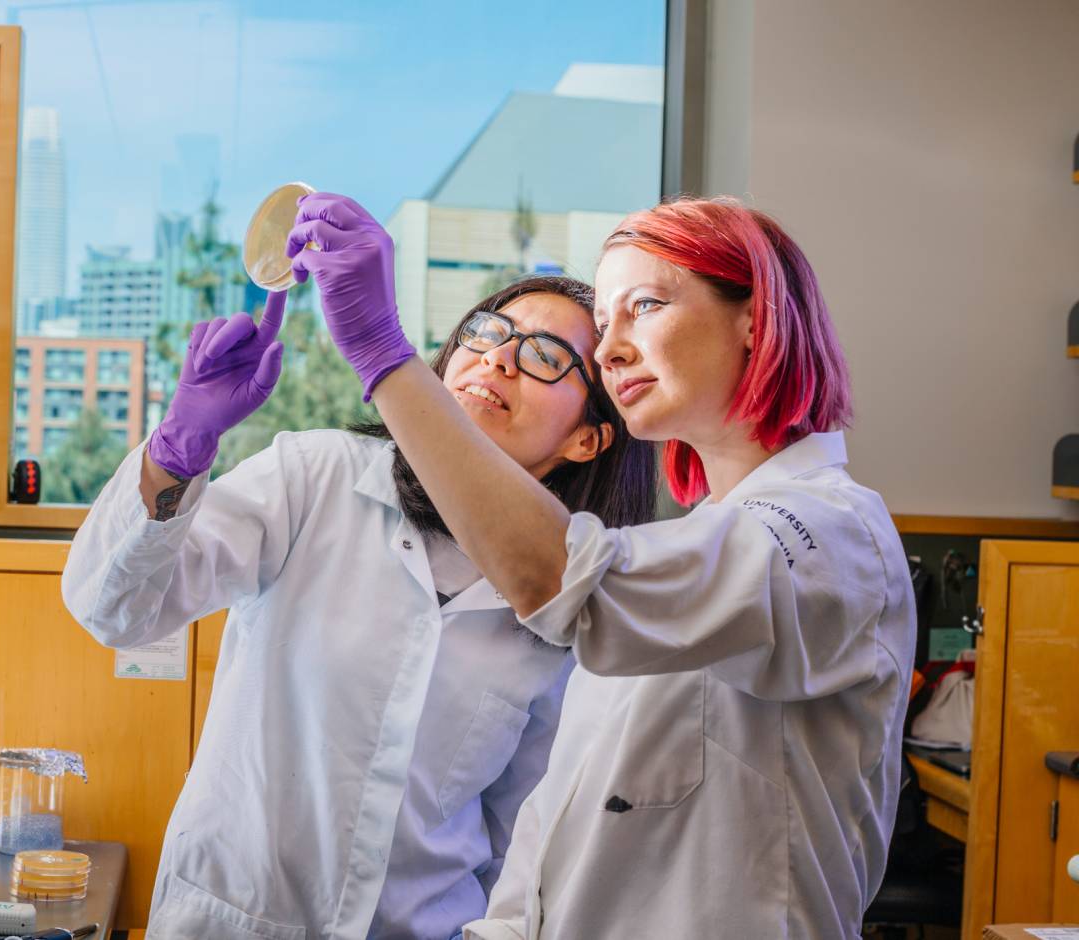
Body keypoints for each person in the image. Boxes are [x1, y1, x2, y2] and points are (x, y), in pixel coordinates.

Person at [288, 193, 917, 938]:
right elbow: (555, 833)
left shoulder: (830, 533)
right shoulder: (690, 550)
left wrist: (384, 356)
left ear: (757, 316)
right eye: (606, 328)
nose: (611, 350)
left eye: (645, 305)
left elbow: (563, 581)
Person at [62, 282, 654, 939]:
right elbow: (111, 608)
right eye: (487, 331)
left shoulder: (568, 610)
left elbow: (522, 836)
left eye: (544, 355)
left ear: (587, 440)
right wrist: (180, 444)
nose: (499, 359)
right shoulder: (316, 477)